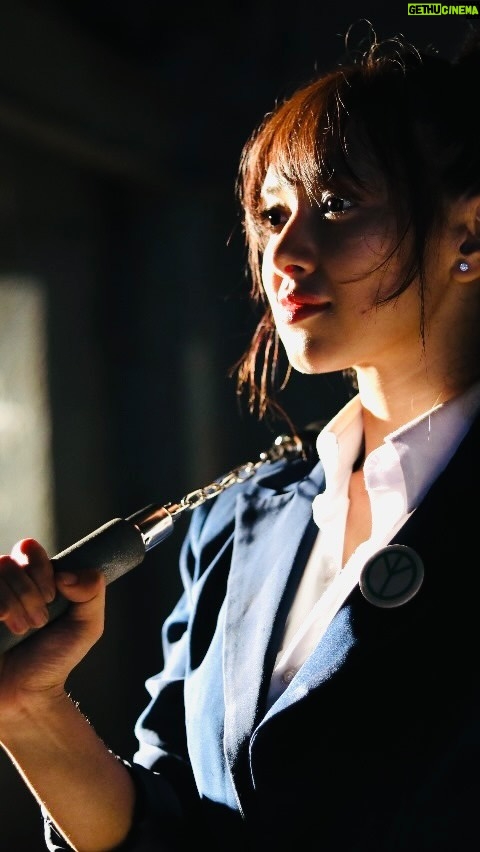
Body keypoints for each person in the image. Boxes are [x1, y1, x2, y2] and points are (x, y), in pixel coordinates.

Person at [1, 20, 480, 852]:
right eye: (272, 214)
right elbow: (173, 828)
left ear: (469, 233)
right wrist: (27, 709)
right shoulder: (236, 526)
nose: (284, 252)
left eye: (337, 203)